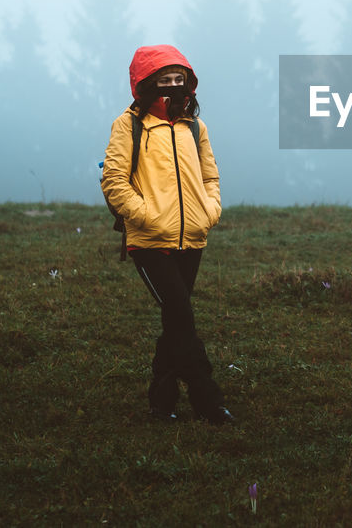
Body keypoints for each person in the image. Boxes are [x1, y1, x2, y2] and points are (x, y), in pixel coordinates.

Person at [101, 44, 233, 425]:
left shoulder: (195, 126)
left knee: (175, 319)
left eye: (180, 80)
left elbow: (210, 176)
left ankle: (161, 402)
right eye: (164, 81)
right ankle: (208, 400)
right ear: (146, 85)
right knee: (180, 312)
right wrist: (145, 218)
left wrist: (210, 211)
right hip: (147, 241)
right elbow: (114, 180)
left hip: (192, 238)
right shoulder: (129, 124)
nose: (173, 87)